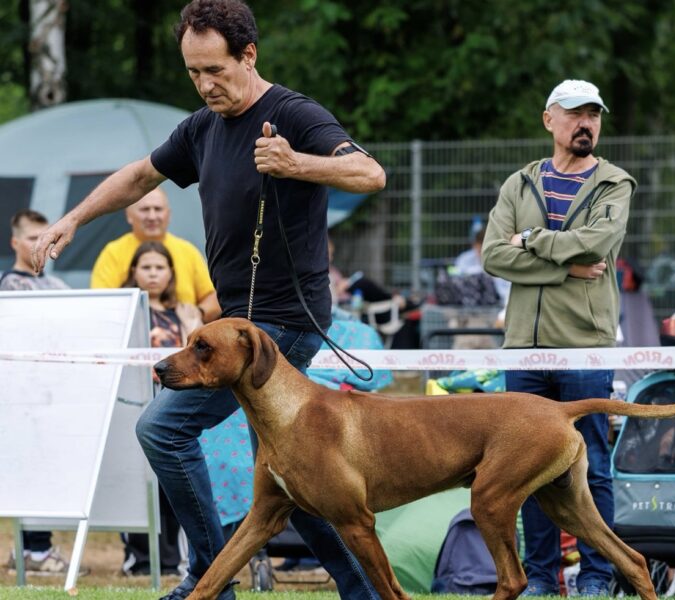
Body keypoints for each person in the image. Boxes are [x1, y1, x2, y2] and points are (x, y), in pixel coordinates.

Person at [31, 0, 385, 598]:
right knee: (287, 482)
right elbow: (139, 176)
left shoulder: (294, 114)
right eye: (193, 72)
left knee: (163, 431)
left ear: (249, 55)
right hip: (236, 326)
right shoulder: (201, 127)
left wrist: (295, 162)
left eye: (215, 70)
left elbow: (371, 174)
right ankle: (361, 591)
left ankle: (209, 576)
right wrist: (72, 218)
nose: (204, 85)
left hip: (282, 328)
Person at [482, 79, 636, 596]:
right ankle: (541, 579)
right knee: (525, 471)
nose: (585, 123)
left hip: (585, 346)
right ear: (549, 119)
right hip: (523, 349)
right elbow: (492, 255)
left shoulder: (615, 183)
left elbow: (597, 242)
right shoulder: (518, 183)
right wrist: (564, 269)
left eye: (594, 114)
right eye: (574, 113)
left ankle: (597, 577)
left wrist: (530, 239)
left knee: (592, 469)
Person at [119, 241, 204, 576]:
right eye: (146, 267)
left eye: (159, 267)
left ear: (170, 273)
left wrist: (190, 322)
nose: (153, 274)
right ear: (133, 272)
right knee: (137, 484)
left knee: (173, 483)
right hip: (133, 405)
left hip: (173, 404)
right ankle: (139, 559)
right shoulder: (125, 311)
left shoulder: (185, 312)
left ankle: (176, 560)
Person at [2, 209, 69, 574]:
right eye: (32, 238)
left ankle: (38, 548)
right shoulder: (9, 286)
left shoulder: (58, 286)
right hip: (21, 396)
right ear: (15, 242)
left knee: (50, 468)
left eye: (46, 237)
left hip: (56, 394)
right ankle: (32, 550)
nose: (40, 244)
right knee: (28, 468)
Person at [91, 187, 221, 323]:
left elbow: (213, 297)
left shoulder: (188, 251)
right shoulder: (112, 252)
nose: (152, 217)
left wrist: (195, 316)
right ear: (129, 215)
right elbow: (101, 302)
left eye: (158, 209)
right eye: (145, 210)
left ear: (168, 214)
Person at [453, 225, 511, 305]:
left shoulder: (501, 261)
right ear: (474, 245)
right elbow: (457, 278)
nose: (483, 254)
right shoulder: (464, 259)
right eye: (480, 250)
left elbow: (504, 291)